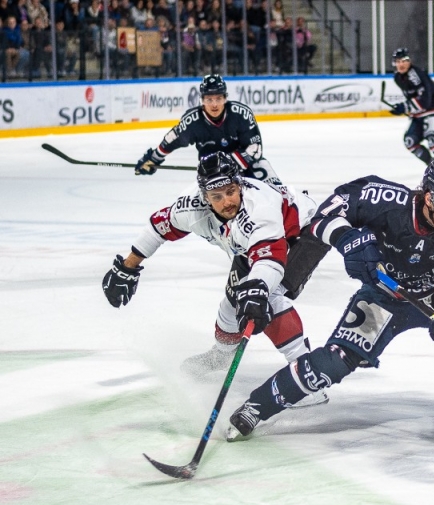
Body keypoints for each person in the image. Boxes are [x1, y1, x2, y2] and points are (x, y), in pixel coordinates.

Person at [225, 158, 434, 444]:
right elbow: (324, 216)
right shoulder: (385, 199)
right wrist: (347, 239)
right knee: (333, 363)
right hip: (384, 297)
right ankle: (257, 407)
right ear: (430, 198)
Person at [102, 152, 329, 406]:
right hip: (250, 245)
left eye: (231, 191)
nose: (227, 202)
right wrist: (128, 267)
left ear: (239, 185)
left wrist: (258, 288)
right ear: (204, 196)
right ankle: (222, 355)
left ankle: (308, 378)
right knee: (232, 304)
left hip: (303, 231)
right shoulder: (191, 208)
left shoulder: (259, 209)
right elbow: (159, 227)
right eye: (216, 196)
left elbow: (270, 259)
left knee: (268, 298)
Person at [134, 74, 280, 186]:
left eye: (218, 99)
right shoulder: (192, 122)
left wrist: (228, 163)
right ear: (202, 100)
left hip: (245, 168)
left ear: (225, 99)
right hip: (212, 173)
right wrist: (154, 159)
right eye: (209, 99)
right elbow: (172, 140)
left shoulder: (241, 114)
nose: (214, 104)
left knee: (275, 190)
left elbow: (255, 149)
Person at [389, 47, 434, 165]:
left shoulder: (415, 74)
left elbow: (425, 101)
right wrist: (404, 107)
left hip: (432, 110)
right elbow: (413, 97)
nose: (401, 64)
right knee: (410, 141)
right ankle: (433, 167)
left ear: (409, 61)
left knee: (433, 140)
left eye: (403, 61)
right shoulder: (398, 77)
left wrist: (405, 107)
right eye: (398, 62)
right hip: (418, 114)